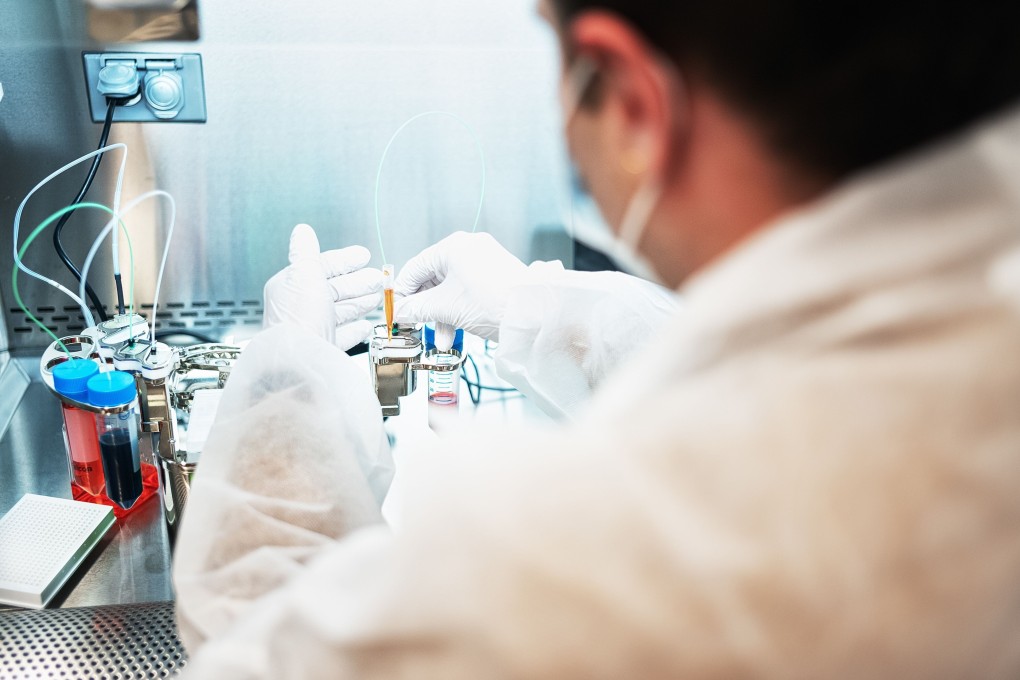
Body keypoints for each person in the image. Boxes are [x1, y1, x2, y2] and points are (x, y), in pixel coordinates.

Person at [174, 0, 1020, 676]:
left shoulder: (588, 558)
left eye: (556, 58)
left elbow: (259, 648)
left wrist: (291, 386)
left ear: (631, 100)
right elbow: (786, 394)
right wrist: (538, 308)